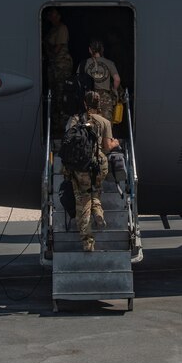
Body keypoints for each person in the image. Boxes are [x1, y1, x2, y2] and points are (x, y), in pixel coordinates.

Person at [63, 90, 121, 252]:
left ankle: (88, 241)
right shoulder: (104, 122)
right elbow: (107, 147)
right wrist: (115, 143)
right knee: (95, 192)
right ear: (99, 104)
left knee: (83, 201)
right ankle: (98, 214)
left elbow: (67, 141)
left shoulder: (75, 120)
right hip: (98, 165)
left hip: (80, 167)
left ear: (84, 103)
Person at [77, 39, 121, 122]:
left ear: (90, 50)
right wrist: (114, 90)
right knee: (105, 125)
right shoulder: (109, 63)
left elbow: (78, 80)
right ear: (102, 49)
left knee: (90, 123)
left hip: (89, 98)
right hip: (105, 97)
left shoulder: (84, 64)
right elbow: (117, 79)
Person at [44, 7, 74, 128]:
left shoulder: (62, 28)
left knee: (62, 93)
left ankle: (63, 122)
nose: (51, 16)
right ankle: (56, 121)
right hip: (53, 65)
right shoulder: (52, 30)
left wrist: (47, 47)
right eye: (50, 14)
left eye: (54, 14)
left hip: (61, 65)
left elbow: (57, 49)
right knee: (54, 93)